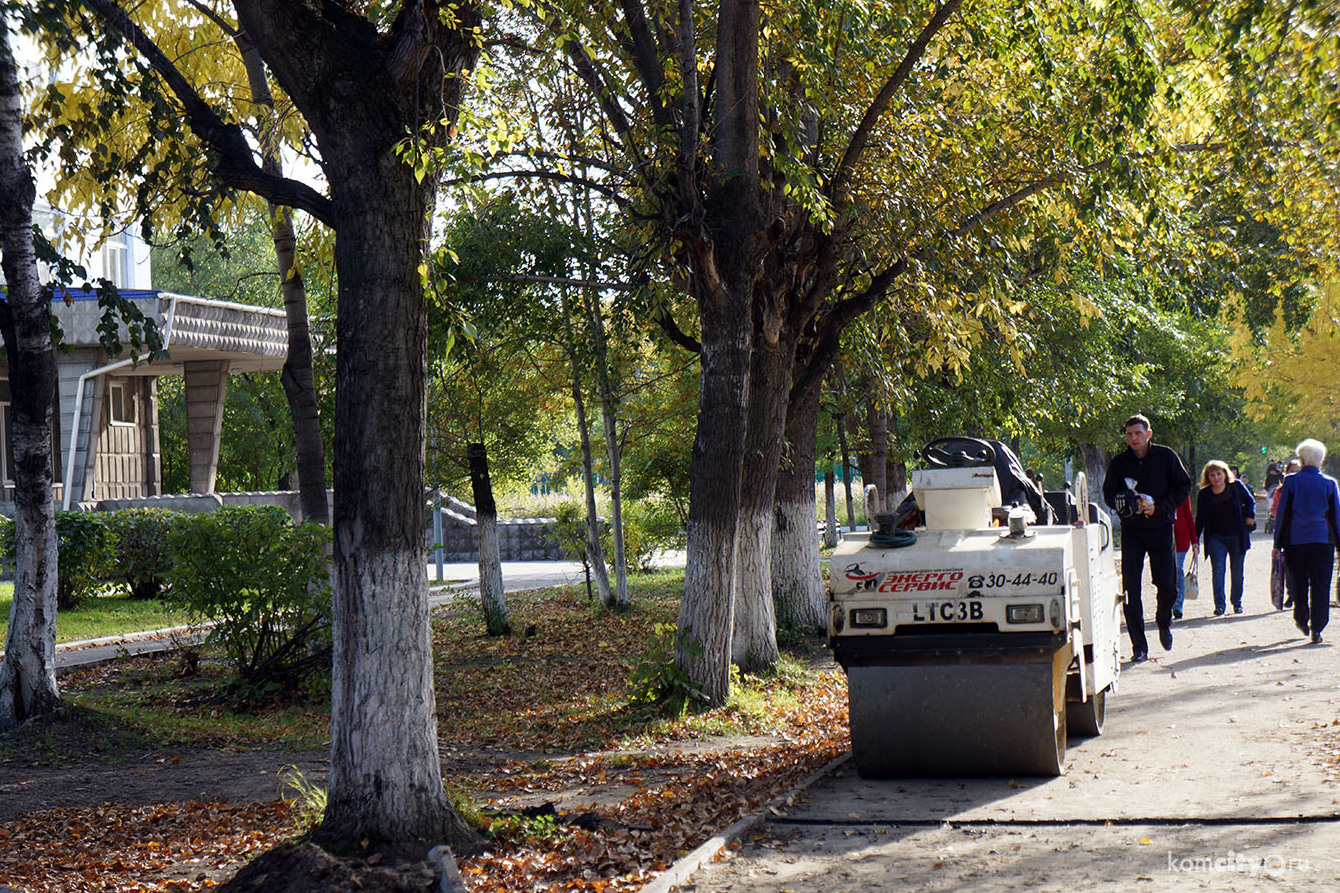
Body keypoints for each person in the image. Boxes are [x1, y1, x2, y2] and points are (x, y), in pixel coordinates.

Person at [1103, 414, 1192, 663]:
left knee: (1168, 586)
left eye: (1138, 433)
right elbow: (1109, 493)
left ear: (1148, 434)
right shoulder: (1120, 463)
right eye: (1130, 434)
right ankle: (1138, 647)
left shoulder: (1166, 457)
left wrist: (1160, 507)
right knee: (1131, 589)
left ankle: (1164, 622)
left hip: (1161, 527)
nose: (1134, 438)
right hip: (1132, 531)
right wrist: (1124, 502)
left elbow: (1183, 486)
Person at [1272, 439, 1340, 645]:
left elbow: (1283, 514)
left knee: (1298, 583)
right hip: (1322, 541)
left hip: (1296, 541)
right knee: (1321, 585)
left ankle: (1301, 619)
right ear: (1321, 461)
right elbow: (1336, 517)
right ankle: (1317, 627)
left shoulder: (1291, 482)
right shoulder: (1330, 483)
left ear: (1301, 460)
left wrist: (1277, 543)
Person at [1194, 460, 1256, 616]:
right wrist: (1195, 539)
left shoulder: (1236, 487)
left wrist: (1250, 516)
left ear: (1225, 474)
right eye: (1212, 475)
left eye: (1219, 474)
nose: (1216, 478)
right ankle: (1219, 605)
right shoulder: (1204, 494)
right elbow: (1200, 518)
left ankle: (1237, 602)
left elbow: (1250, 501)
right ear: (1207, 477)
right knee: (1218, 571)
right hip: (1216, 538)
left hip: (1237, 536)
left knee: (1237, 571)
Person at [1171, 496, 1196, 621]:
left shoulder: (1181, 491)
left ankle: (1178, 604)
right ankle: (1166, 602)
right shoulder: (1158, 486)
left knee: (1177, 568)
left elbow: (1188, 514)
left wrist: (1194, 541)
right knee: (1165, 572)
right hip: (1162, 536)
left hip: (1181, 537)